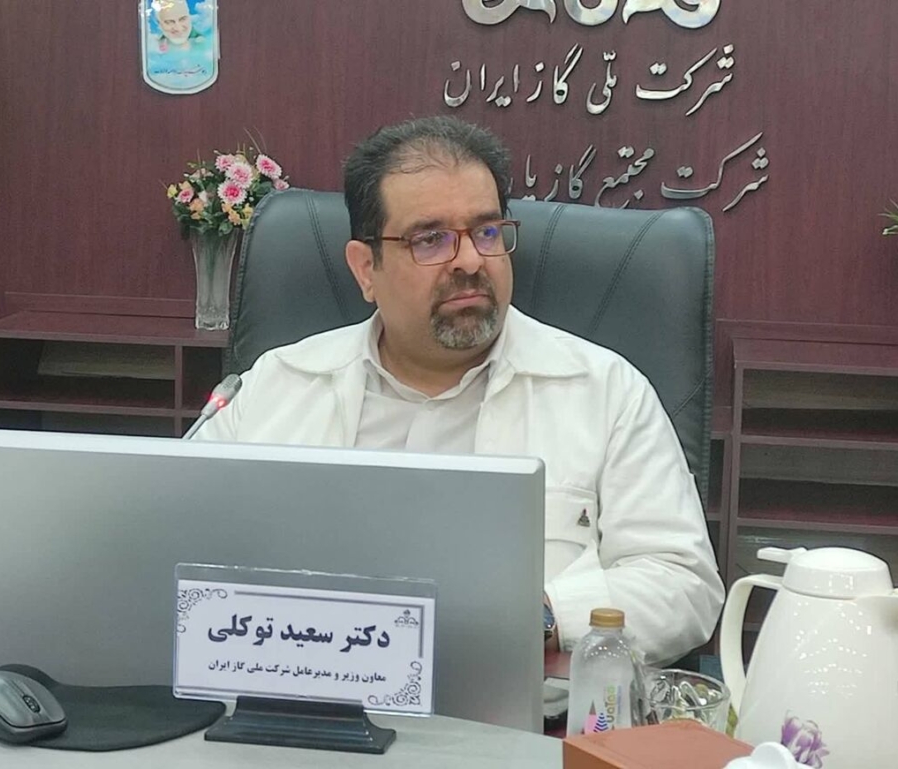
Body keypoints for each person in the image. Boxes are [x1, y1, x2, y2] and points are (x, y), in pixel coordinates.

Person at [195, 115, 724, 665]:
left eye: (487, 232)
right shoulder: (274, 387)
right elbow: (179, 548)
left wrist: (539, 618)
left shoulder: (605, 391)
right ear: (366, 269)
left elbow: (683, 583)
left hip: (525, 709)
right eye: (431, 240)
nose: (470, 261)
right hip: (298, 694)